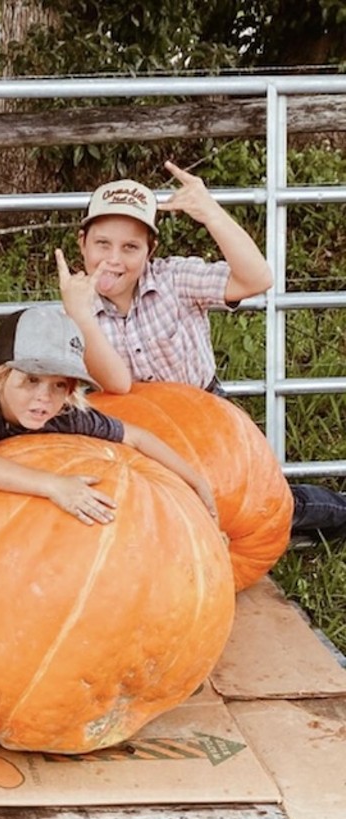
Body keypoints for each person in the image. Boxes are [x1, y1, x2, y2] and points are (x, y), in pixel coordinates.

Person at [63, 161, 346, 540]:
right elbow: (116, 383)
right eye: (102, 244)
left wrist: (210, 212)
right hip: (132, 433)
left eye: (130, 247)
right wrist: (80, 316)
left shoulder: (174, 279)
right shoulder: (73, 310)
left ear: (151, 250)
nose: (114, 259)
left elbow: (256, 278)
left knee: (256, 506)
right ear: (82, 243)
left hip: (206, 417)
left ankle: (334, 513)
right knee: (151, 518)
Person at [0, 306, 217, 583]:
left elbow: (137, 437)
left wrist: (195, 481)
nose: (43, 398)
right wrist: (55, 485)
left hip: (8, 468)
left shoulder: (62, 412)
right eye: (30, 380)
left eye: (58, 385)